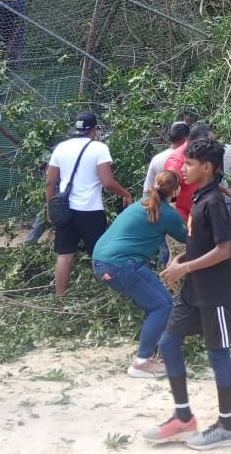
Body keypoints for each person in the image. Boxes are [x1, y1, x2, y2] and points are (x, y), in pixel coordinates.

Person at [143, 137, 231, 448]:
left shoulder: (214, 202)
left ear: (207, 167)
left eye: (189, 164)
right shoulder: (199, 197)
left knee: (217, 355)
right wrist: (180, 259)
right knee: (169, 343)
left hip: (214, 294)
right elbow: (200, 242)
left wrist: (184, 269)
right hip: (192, 290)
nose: (183, 169)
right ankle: (183, 417)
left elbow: (223, 250)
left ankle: (228, 426)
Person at [92, 170, 189, 379]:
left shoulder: (140, 204)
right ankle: (142, 362)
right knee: (162, 305)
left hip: (101, 263)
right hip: (122, 265)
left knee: (156, 302)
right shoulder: (168, 214)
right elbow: (189, 239)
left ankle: (154, 353)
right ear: (176, 190)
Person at [46, 111, 132, 296]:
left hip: (65, 210)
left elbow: (50, 182)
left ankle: (60, 300)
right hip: (91, 212)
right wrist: (126, 193)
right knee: (99, 256)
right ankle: (102, 296)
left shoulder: (61, 148)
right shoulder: (99, 148)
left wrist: (50, 209)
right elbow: (107, 182)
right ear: (94, 130)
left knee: (65, 255)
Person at [144, 121, 191, 193]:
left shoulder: (157, 159)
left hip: (158, 202)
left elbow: (148, 189)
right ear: (186, 139)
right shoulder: (188, 159)